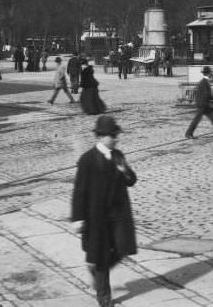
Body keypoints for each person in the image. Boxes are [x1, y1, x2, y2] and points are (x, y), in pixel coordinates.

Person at [70, 115, 138, 307]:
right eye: (113, 135)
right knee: (101, 256)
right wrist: (78, 217)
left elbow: (132, 180)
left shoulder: (118, 155)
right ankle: (104, 299)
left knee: (123, 248)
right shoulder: (87, 160)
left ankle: (97, 271)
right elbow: (79, 190)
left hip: (118, 214)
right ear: (100, 137)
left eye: (116, 135)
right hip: (97, 217)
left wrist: (124, 169)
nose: (116, 138)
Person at [185, 66, 213, 139]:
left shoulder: (204, 81)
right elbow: (206, 94)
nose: (211, 74)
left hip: (204, 104)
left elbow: (205, 94)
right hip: (202, 105)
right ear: (208, 74)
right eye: (210, 73)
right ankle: (188, 133)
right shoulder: (204, 82)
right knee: (198, 120)